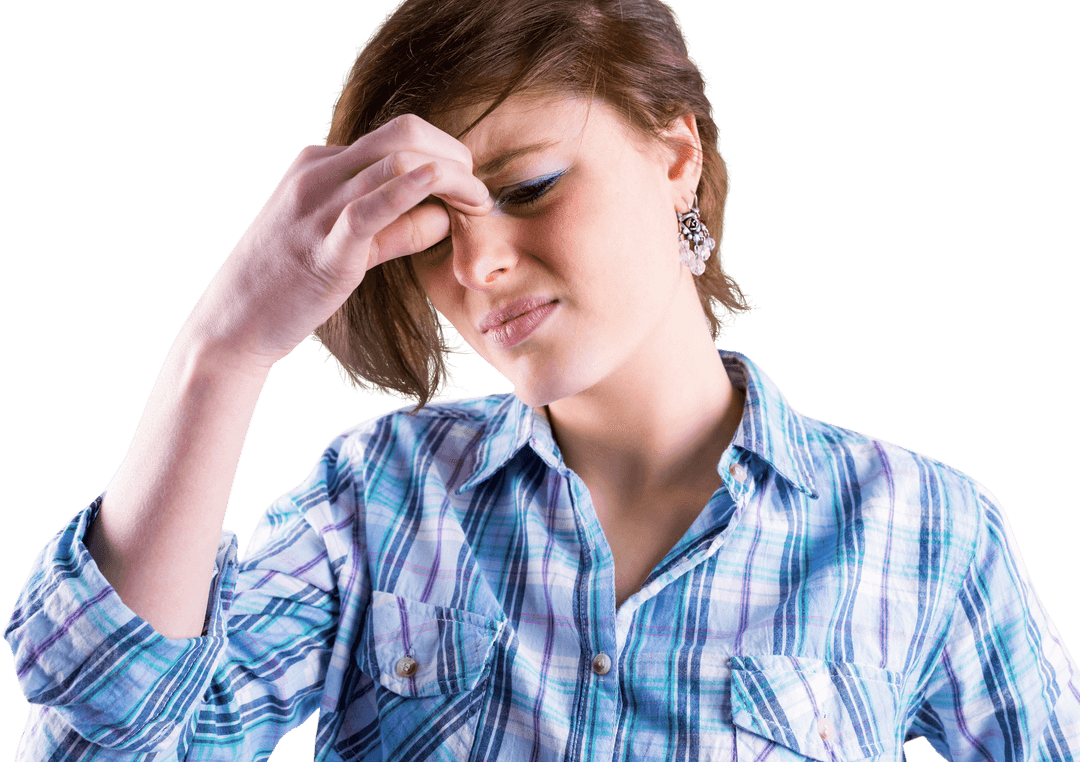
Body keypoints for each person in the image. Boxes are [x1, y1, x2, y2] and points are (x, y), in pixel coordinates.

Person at [4, 0, 1078, 759]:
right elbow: (108, 740)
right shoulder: (380, 499)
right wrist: (222, 350)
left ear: (674, 157)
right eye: (431, 235)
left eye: (525, 187)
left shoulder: (927, 531)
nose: (476, 268)